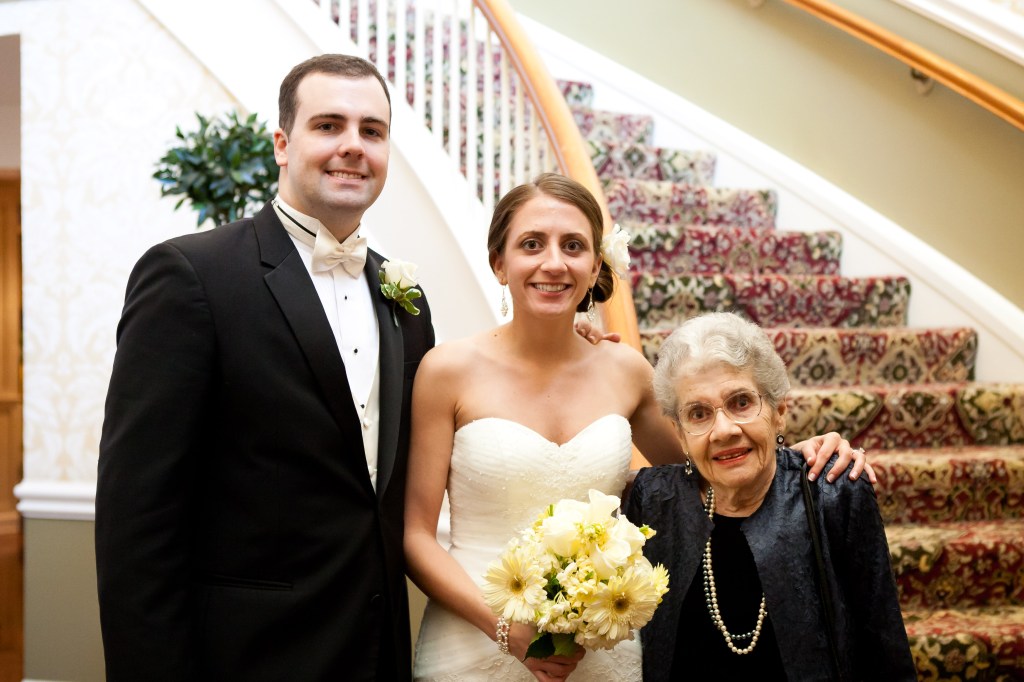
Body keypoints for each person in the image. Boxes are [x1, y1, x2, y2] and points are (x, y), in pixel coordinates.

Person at [403, 174, 869, 681]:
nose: (554, 263)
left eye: (574, 246)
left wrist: (795, 458)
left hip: (600, 648)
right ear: (499, 263)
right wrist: (505, 629)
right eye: (531, 244)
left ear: (594, 266)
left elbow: (710, 470)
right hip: (473, 638)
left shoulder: (626, 370)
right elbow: (415, 536)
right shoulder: (446, 371)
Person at [95, 55, 435, 680]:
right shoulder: (190, 276)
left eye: (372, 131)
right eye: (328, 125)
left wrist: (565, 338)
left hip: (376, 651)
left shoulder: (404, 299)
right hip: (245, 658)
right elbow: (136, 521)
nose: (352, 147)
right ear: (283, 143)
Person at [625, 312, 916, 681]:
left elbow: (885, 649)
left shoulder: (834, 491)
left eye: (741, 402)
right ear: (680, 435)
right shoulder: (652, 500)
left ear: (779, 413)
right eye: (698, 414)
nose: (724, 430)